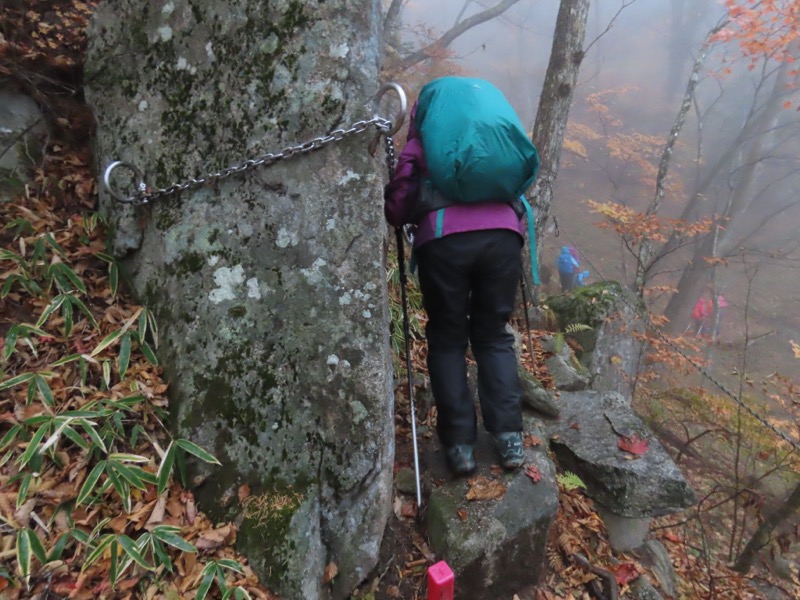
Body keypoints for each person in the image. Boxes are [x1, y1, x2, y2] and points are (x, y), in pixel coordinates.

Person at [384, 102, 526, 476]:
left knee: (448, 337)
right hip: (503, 238)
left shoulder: (427, 138)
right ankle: (509, 437)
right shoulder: (494, 138)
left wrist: (399, 210)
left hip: (445, 240)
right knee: (494, 335)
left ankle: (461, 446)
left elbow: (399, 204)